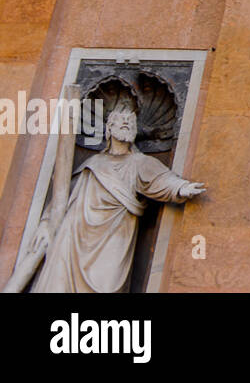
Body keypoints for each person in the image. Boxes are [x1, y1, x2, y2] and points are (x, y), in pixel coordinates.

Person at [29, 106, 204, 293]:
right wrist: (46, 222)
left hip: (115, 235)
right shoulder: (93, 163)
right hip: (74, 235)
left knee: (108, 285)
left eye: (131, 121)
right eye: (121, 120)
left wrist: (181, 187)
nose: (126, 123)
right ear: (109, 128)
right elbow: (64, 195)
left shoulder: (140, 163)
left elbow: (161, 179)